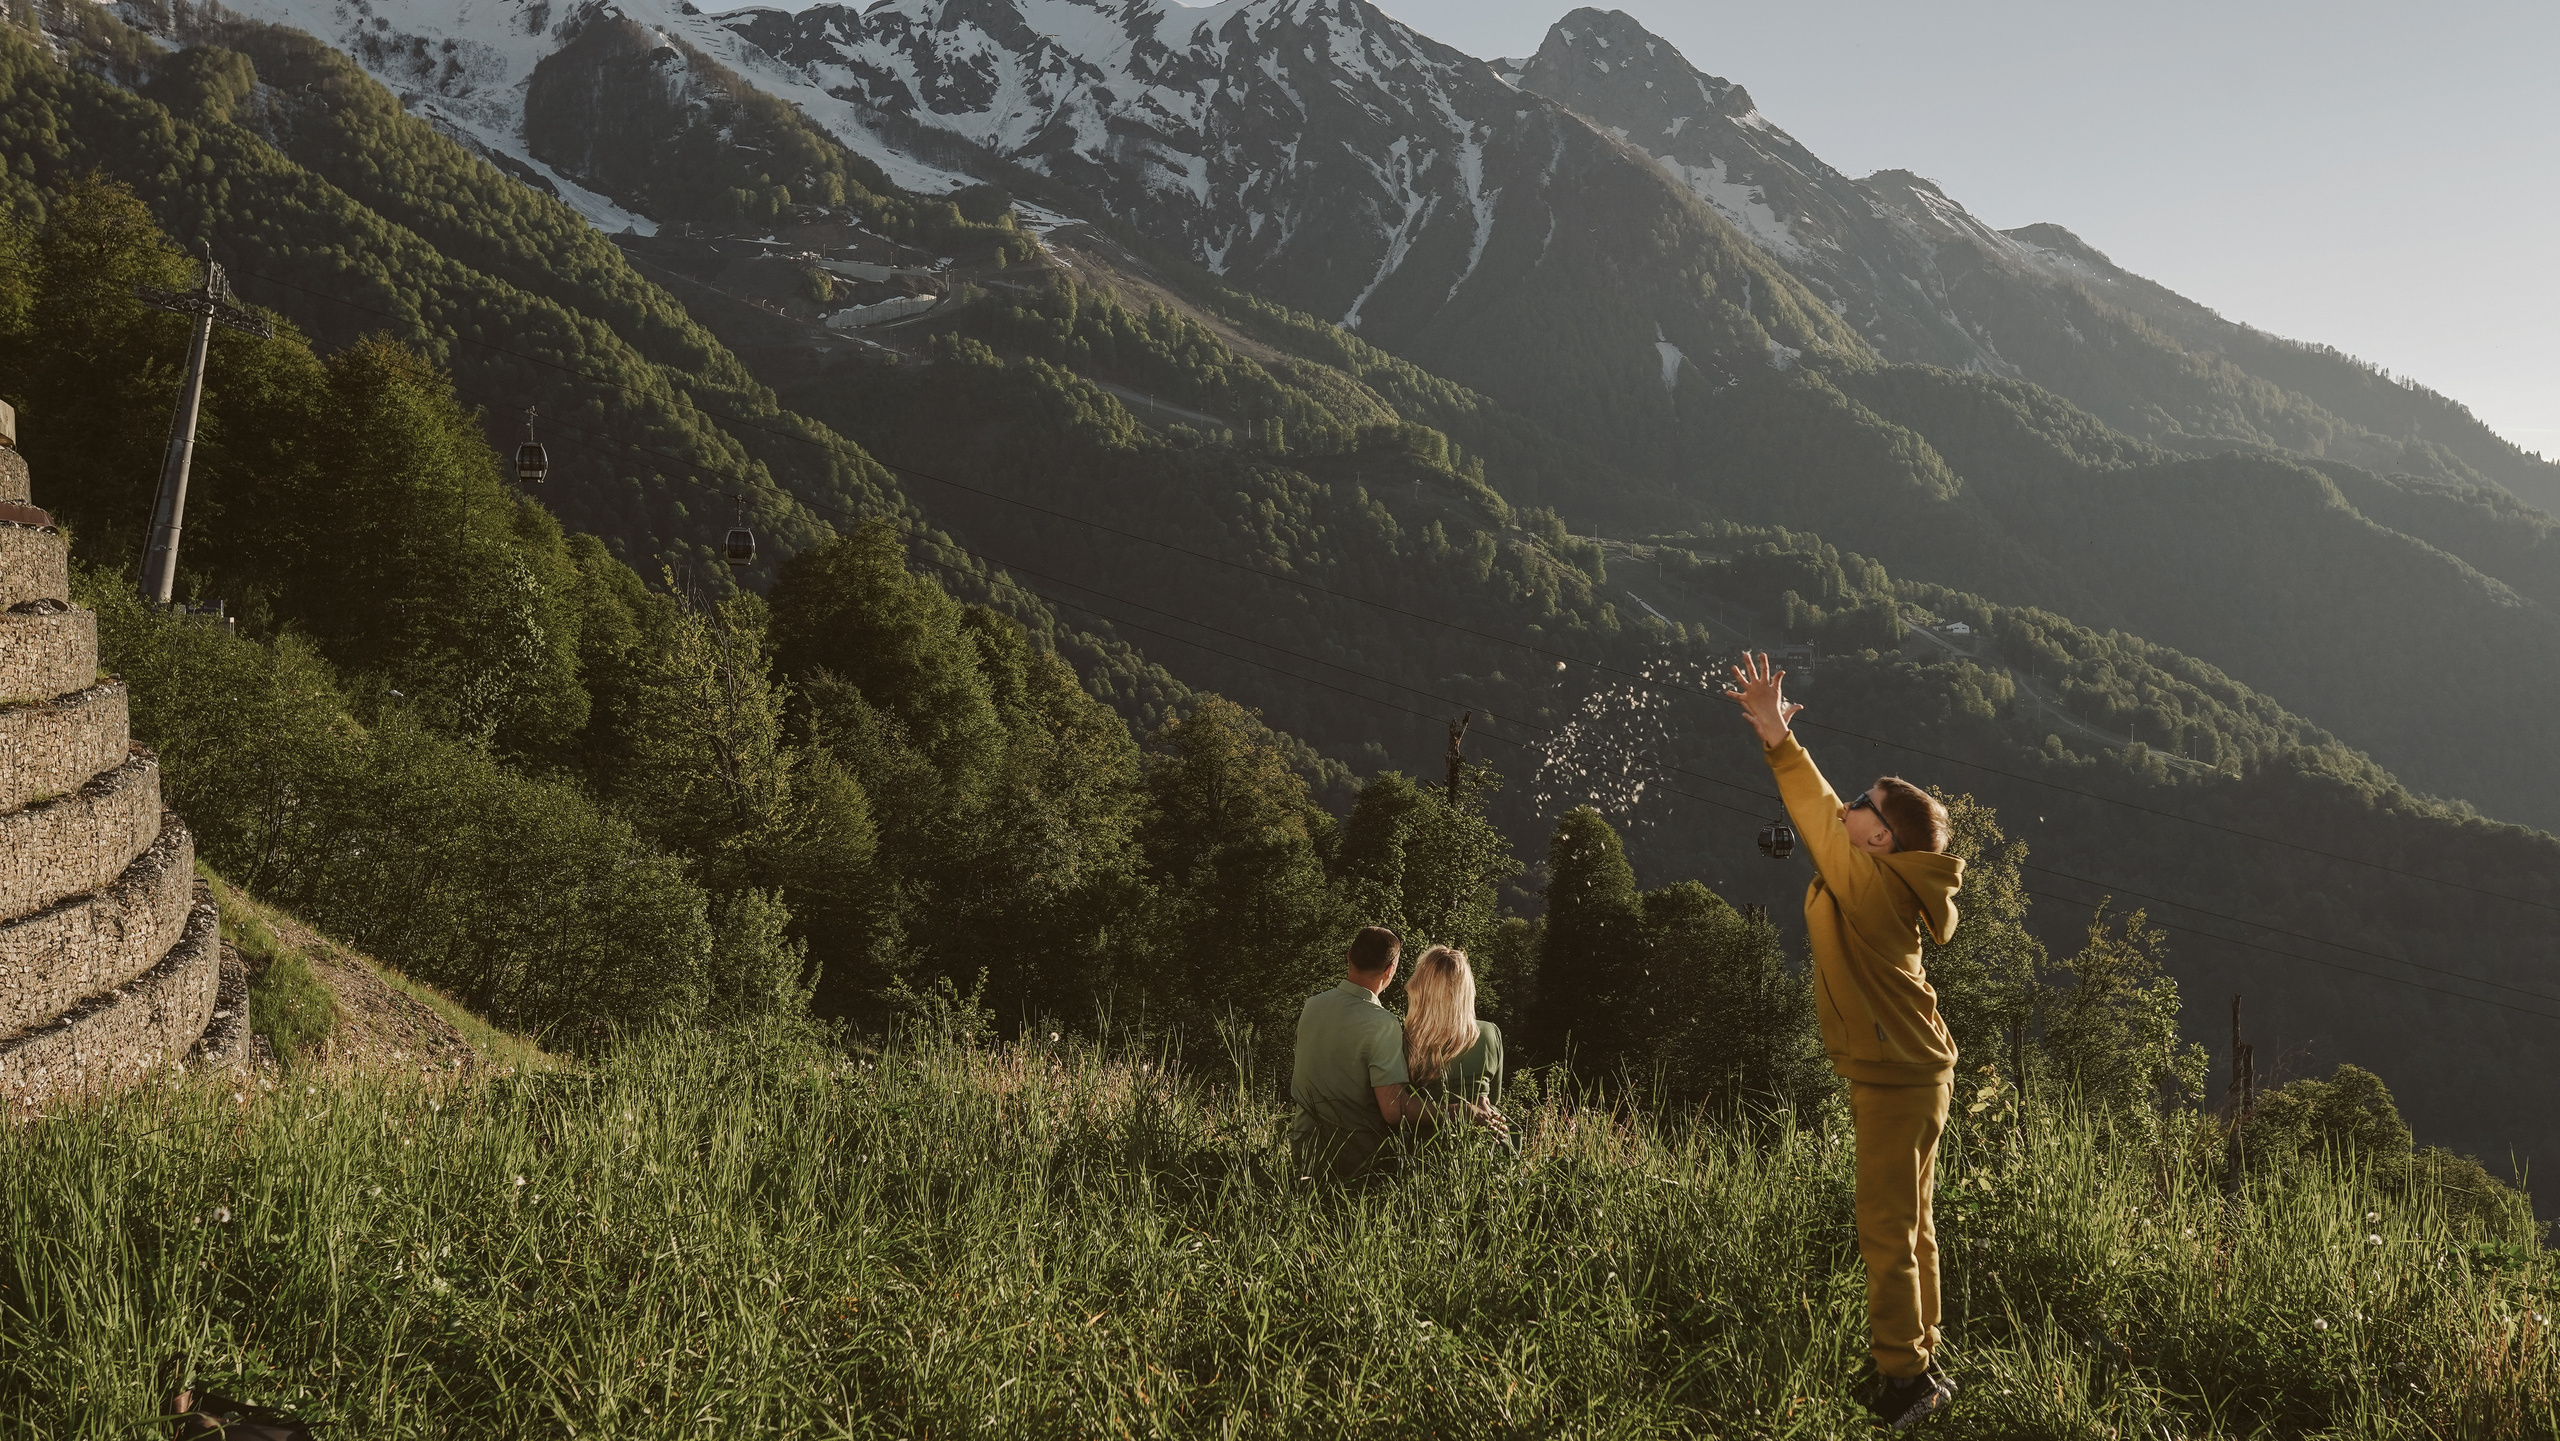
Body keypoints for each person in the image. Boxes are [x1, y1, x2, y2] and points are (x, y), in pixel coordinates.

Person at [1723, 652, 1965, 1431]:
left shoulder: (1869, 881)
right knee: (1913, 1221)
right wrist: (1775, 737)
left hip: (1898, 1075)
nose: (1852, 804)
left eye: (1868, 802)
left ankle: (1904, 1383)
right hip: (1913, 1067)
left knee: (1886, 1226)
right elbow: (1830, 820)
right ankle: (1921, 1357)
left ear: (1883, 838)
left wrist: (1776, 737)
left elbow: (1818, 813)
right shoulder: (1882, 880)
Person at [1288, 927, 1494, 1182]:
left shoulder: (1313, 1005)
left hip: (1304, 1151)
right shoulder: (1381, 1023)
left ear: (1349, 956)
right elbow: (1394, 1110)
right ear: (1391, 970)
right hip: (1357, 1164)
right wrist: (1459, 1111)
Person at [1401, 945, 1508, 1149]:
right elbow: (1494, 1098)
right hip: (1487, 1141)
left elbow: (1403, 1107)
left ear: (1420, 989)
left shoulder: (1409, 1040)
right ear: (1466, 991)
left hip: (1430, 1147)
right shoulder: (1489, 1032)